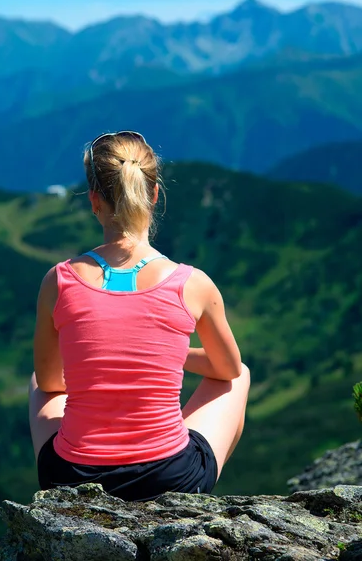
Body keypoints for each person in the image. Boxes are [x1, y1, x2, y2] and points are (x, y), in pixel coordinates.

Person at [29, 131, 250, 501]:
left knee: (39, 379)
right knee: (240, 374)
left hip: (69, 478)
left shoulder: (59, 279)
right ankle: (184, 492)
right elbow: (227, 369)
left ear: (95, 201)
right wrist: (169, 357)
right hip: (169, 478)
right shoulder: (193, 284)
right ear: (155, 196)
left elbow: (52, 382)